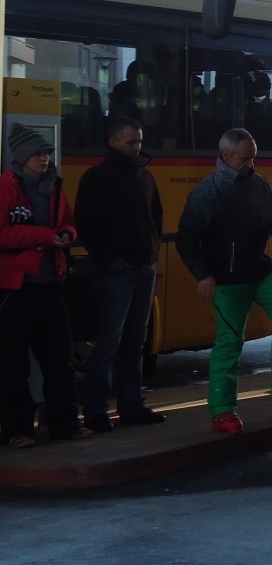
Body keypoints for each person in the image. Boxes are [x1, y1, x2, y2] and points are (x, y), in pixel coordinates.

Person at [176, 128, 272, 434]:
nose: (252, 164)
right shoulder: (207, 193)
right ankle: (223, 411)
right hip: (229, 277)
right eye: (245, 158)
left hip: (255, 269)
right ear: (226, 156)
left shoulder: (256, 183)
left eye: (253, 157)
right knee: (231, 342)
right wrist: (203, 275)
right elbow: (187, 240)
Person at [0, 123, 91, 447]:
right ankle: (16, 429)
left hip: (50, 283)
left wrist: (66, 233)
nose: (45, 160)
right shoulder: (6, 188)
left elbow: (67, 219)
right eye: (39, 154)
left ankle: (64, 423)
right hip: (15, 287)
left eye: (47, 154)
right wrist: (44, 236)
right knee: (13, 362)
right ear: (22, 157)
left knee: (59, 357)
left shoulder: (54, 187)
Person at [75, 116, 166, 433]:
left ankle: (131, 405)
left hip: (141, 267)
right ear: (113, 141)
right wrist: (111, 260)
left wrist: (151, 256)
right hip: (118, 271)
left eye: (139, 140)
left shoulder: (144, 175)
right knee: (110, 342)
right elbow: (87, 224)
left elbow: (156, 217)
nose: (137, 146)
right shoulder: (98, 177)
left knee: (134, 341)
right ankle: (96, 410)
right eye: (131, 141)